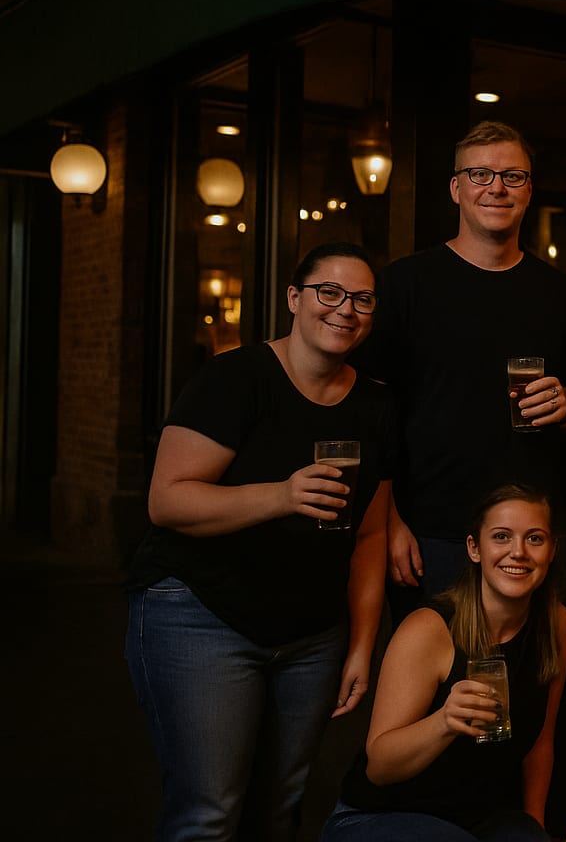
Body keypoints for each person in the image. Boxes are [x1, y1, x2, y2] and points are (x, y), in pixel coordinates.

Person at [125, 241, 394, 841]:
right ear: (295, 299)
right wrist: (281, 495)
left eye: (362, 299)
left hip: (310, 635)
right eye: (329, 292)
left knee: (280, 810)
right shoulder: (237, 378)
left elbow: (371, 534)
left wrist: (360, 646)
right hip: (201, 612)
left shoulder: (376, 404)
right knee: (209, 814)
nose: (344, 309)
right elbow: (166, 500)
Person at [353, 120, 566, 611]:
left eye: (512, 176)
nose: (497, 188)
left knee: (530, 681)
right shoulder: (405, 284)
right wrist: (387, 523)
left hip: (531, 535)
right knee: (430, 681)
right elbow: (366, 411)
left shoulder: (558, 292)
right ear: (456, 188)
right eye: (481, 175)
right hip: (431, 533)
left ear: (529, 190)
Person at [322, 485, 566, 841]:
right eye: (501, 537)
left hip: (477, 819)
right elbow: (379, 766)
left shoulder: (558, 625)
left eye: (534, 538)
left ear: (552, 551)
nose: (518, 552)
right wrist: (444, 722)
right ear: (475, 548)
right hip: (381, 815)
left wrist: (534, 827)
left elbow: (540, 742)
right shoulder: (430, 629)